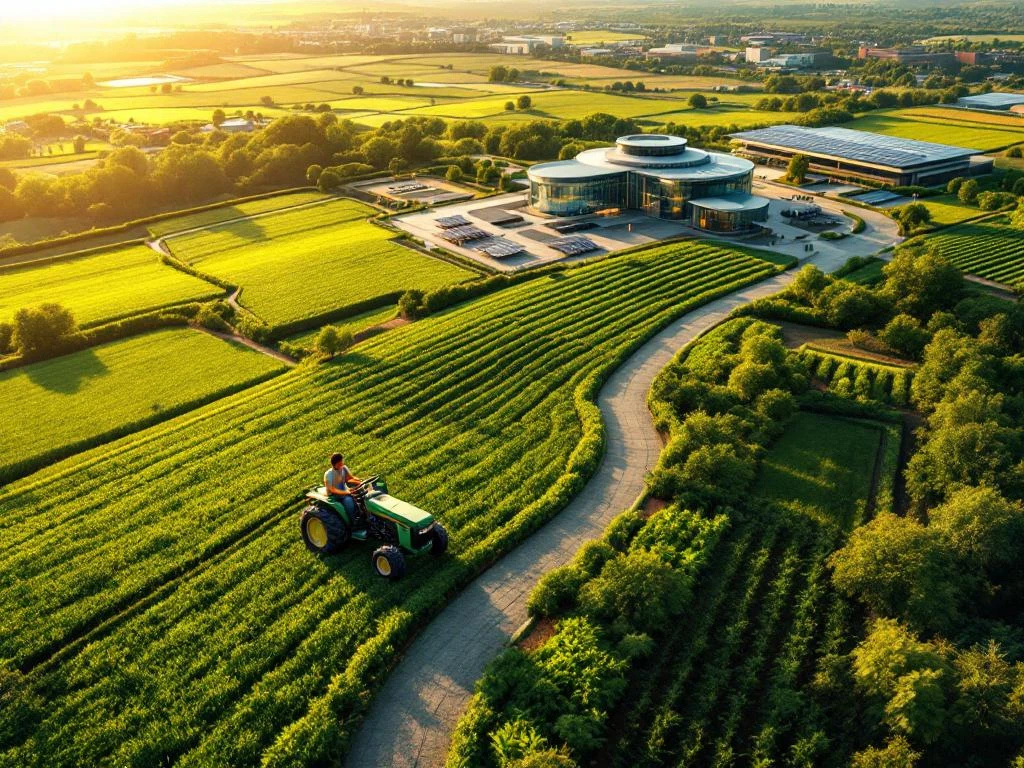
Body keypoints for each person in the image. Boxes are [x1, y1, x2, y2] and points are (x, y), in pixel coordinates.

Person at [324, 453, 363, 521]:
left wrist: (361, 482)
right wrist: (347, 492)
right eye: (339, 463)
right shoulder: (328, 474)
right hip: (334, 496)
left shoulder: (344, 468)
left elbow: (349, 478)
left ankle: (363, 515)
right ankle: (353, 521)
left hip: (345, 491)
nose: (342, 464)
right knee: (349, 501)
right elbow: (332, 489)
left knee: (361, 495)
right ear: (334, 464)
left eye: (342, 462)